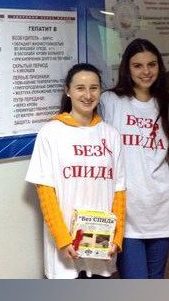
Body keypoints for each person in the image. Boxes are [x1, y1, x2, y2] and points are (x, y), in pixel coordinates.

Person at [98, 38, 169, 279]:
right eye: (137, 65)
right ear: (127, 68)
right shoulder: (110, 101)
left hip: (162, 210)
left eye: (152, 64)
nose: (146, 71)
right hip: (125, 213)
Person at [25, 63, 126, 279]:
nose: (88, 95)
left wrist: (116, 239)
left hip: (101, 244)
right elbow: (46, 192)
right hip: (66, 246)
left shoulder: (111, 134)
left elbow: (119, 190)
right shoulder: (51, 132)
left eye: (94, 88)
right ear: (68, 91)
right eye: (80, 88)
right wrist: (63, 239)